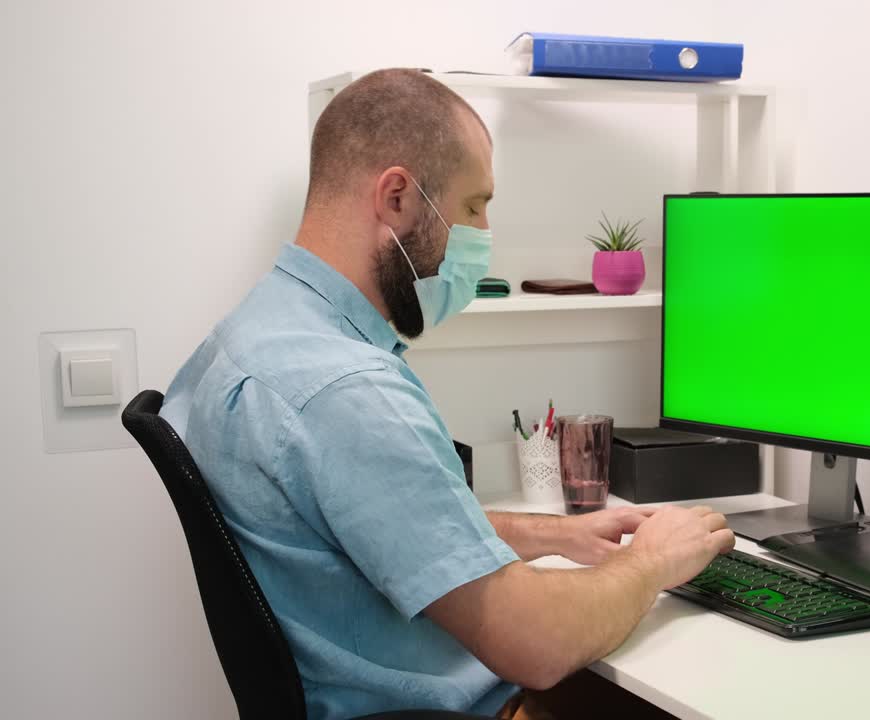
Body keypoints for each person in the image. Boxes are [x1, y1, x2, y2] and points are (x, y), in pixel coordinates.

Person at [159, 68, 734, 719]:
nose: (483, 233)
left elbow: (386, 525)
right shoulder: (348, 392)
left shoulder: (254, 334)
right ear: (397, 197)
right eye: (473, 207)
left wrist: (557, 536)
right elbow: (537, 646)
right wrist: (652, 563)